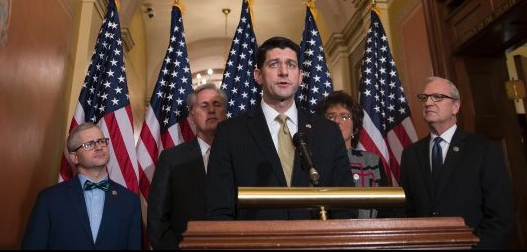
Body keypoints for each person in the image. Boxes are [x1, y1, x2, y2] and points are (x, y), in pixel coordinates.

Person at [206, 36, 355, 220]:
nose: (284, 72)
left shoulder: (328, 132)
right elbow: (219, 210)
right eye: (274, 64)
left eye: (291, 65)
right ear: (258, 75)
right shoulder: (230, 133)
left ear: (300, 77)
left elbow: (345, 207)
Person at [399, 76, 513, 249]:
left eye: (437, 97)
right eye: (425, 97)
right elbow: (407, 211)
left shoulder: (483, 150)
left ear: (455, 106)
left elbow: (500, 216)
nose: (428, 103)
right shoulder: (410, 154)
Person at [22, 123, 141, 250]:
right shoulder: (49, 199)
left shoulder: (130, 201)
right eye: (89, 144)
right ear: (74, 158)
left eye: (101, 141)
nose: (99, 147)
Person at [148, 83, 227, 249]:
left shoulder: (241, 155)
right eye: (204, 105)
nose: (211, 110)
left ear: (225, 112)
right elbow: (157, 219)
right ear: (192, 115)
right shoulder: (171, 159)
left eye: (216, 104)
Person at [318, 91, 389, 218]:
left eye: (344, 116)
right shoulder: (313, 160)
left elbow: (387, 208)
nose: (337, 121)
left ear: (355, 128)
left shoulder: (371, 161)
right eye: (330, 116)